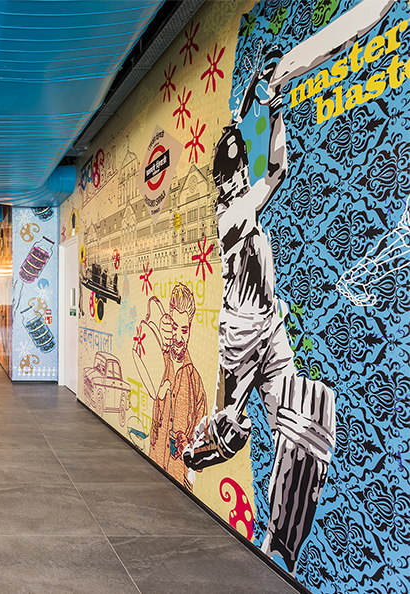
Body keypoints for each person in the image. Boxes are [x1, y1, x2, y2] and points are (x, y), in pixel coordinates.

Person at [182, 0, 391, 573]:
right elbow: (266, 178)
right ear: (228, 174)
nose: (241, 163)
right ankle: (199, 447)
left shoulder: (245, 197)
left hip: (269, 325)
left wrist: (273, 113)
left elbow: (277, 170)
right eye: (234, 159)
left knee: (311, 412)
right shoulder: (230, 213)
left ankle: (280, 545)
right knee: (232, 431)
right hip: (242, 329)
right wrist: (262, 106)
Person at [147, 283, 207, 490]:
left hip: (178, 479)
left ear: (189, 330)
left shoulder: (195, 382)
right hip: (152, 464)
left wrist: (188, 444)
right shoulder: (157, 360)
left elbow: (202, 437)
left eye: (184, 330)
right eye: (174, 328)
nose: (179, 338)